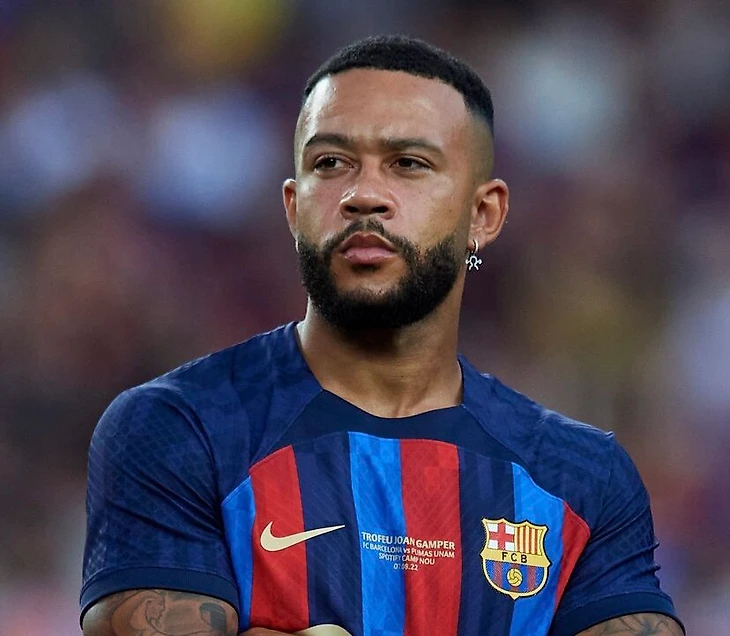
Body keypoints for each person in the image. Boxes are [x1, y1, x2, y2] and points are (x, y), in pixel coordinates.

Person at [80, 35, 684, 636]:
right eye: (330, 164)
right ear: (293, 208)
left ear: (483, 215)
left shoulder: (582, 477)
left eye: (408, 164)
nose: (362, 195)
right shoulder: (180, 428)